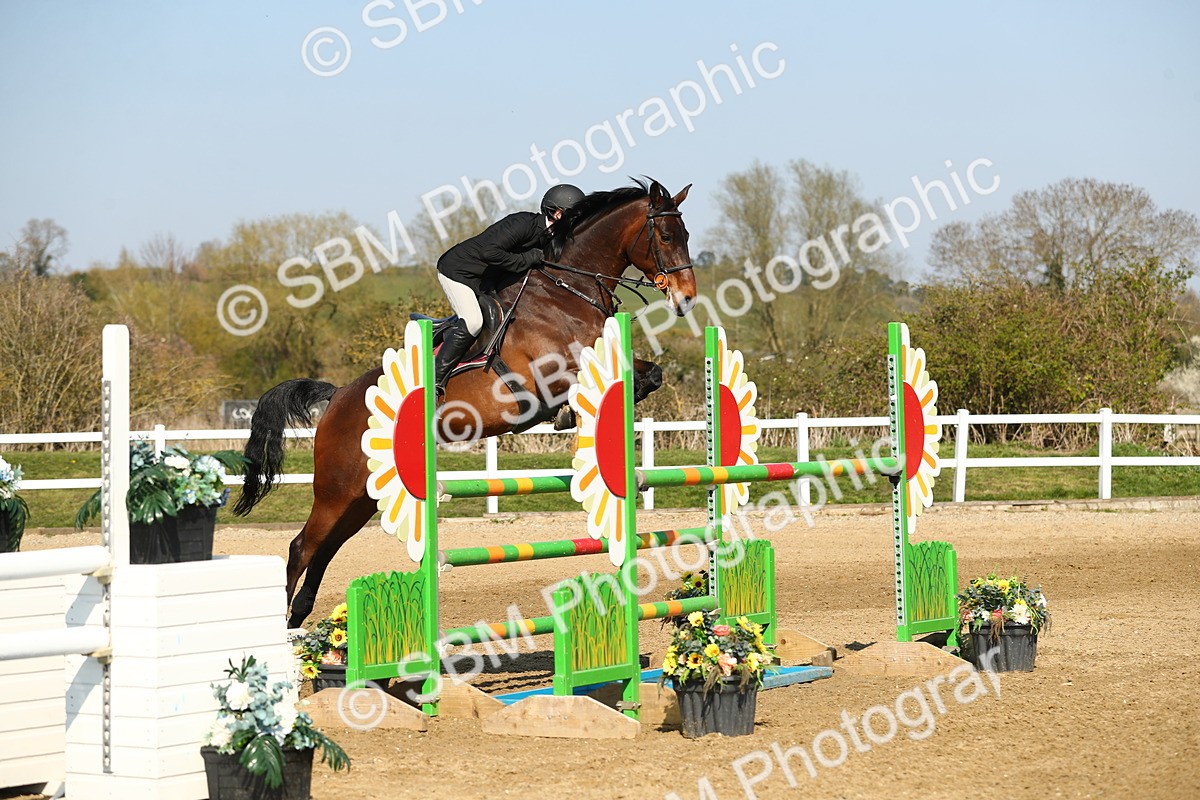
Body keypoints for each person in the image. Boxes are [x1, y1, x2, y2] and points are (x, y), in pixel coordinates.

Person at [433, 183, 586, 398]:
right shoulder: (522, 223)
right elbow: (489, 253)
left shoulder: (550, 238)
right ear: (558, 212)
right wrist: (528, 258)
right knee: (473, 321)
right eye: (573, 217)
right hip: (459, 272)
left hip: (486, 280)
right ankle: (434, 380)